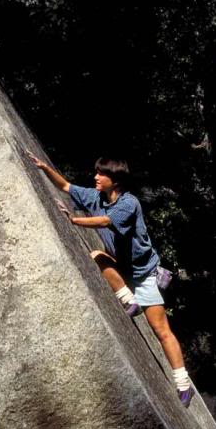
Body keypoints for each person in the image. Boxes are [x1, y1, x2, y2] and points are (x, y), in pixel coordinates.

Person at [27, 151, 193, 406]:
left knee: (161, 331)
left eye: (101, 174)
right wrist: (43, 167)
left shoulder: (129, 203)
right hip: (123, 268)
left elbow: (106, 221)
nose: (95, 177)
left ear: (114, 180)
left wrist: (74, 220)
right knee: (96, 255)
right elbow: (65, 185)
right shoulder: (96, 197)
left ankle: (183, 383)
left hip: (143, 274)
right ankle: (129, 301)